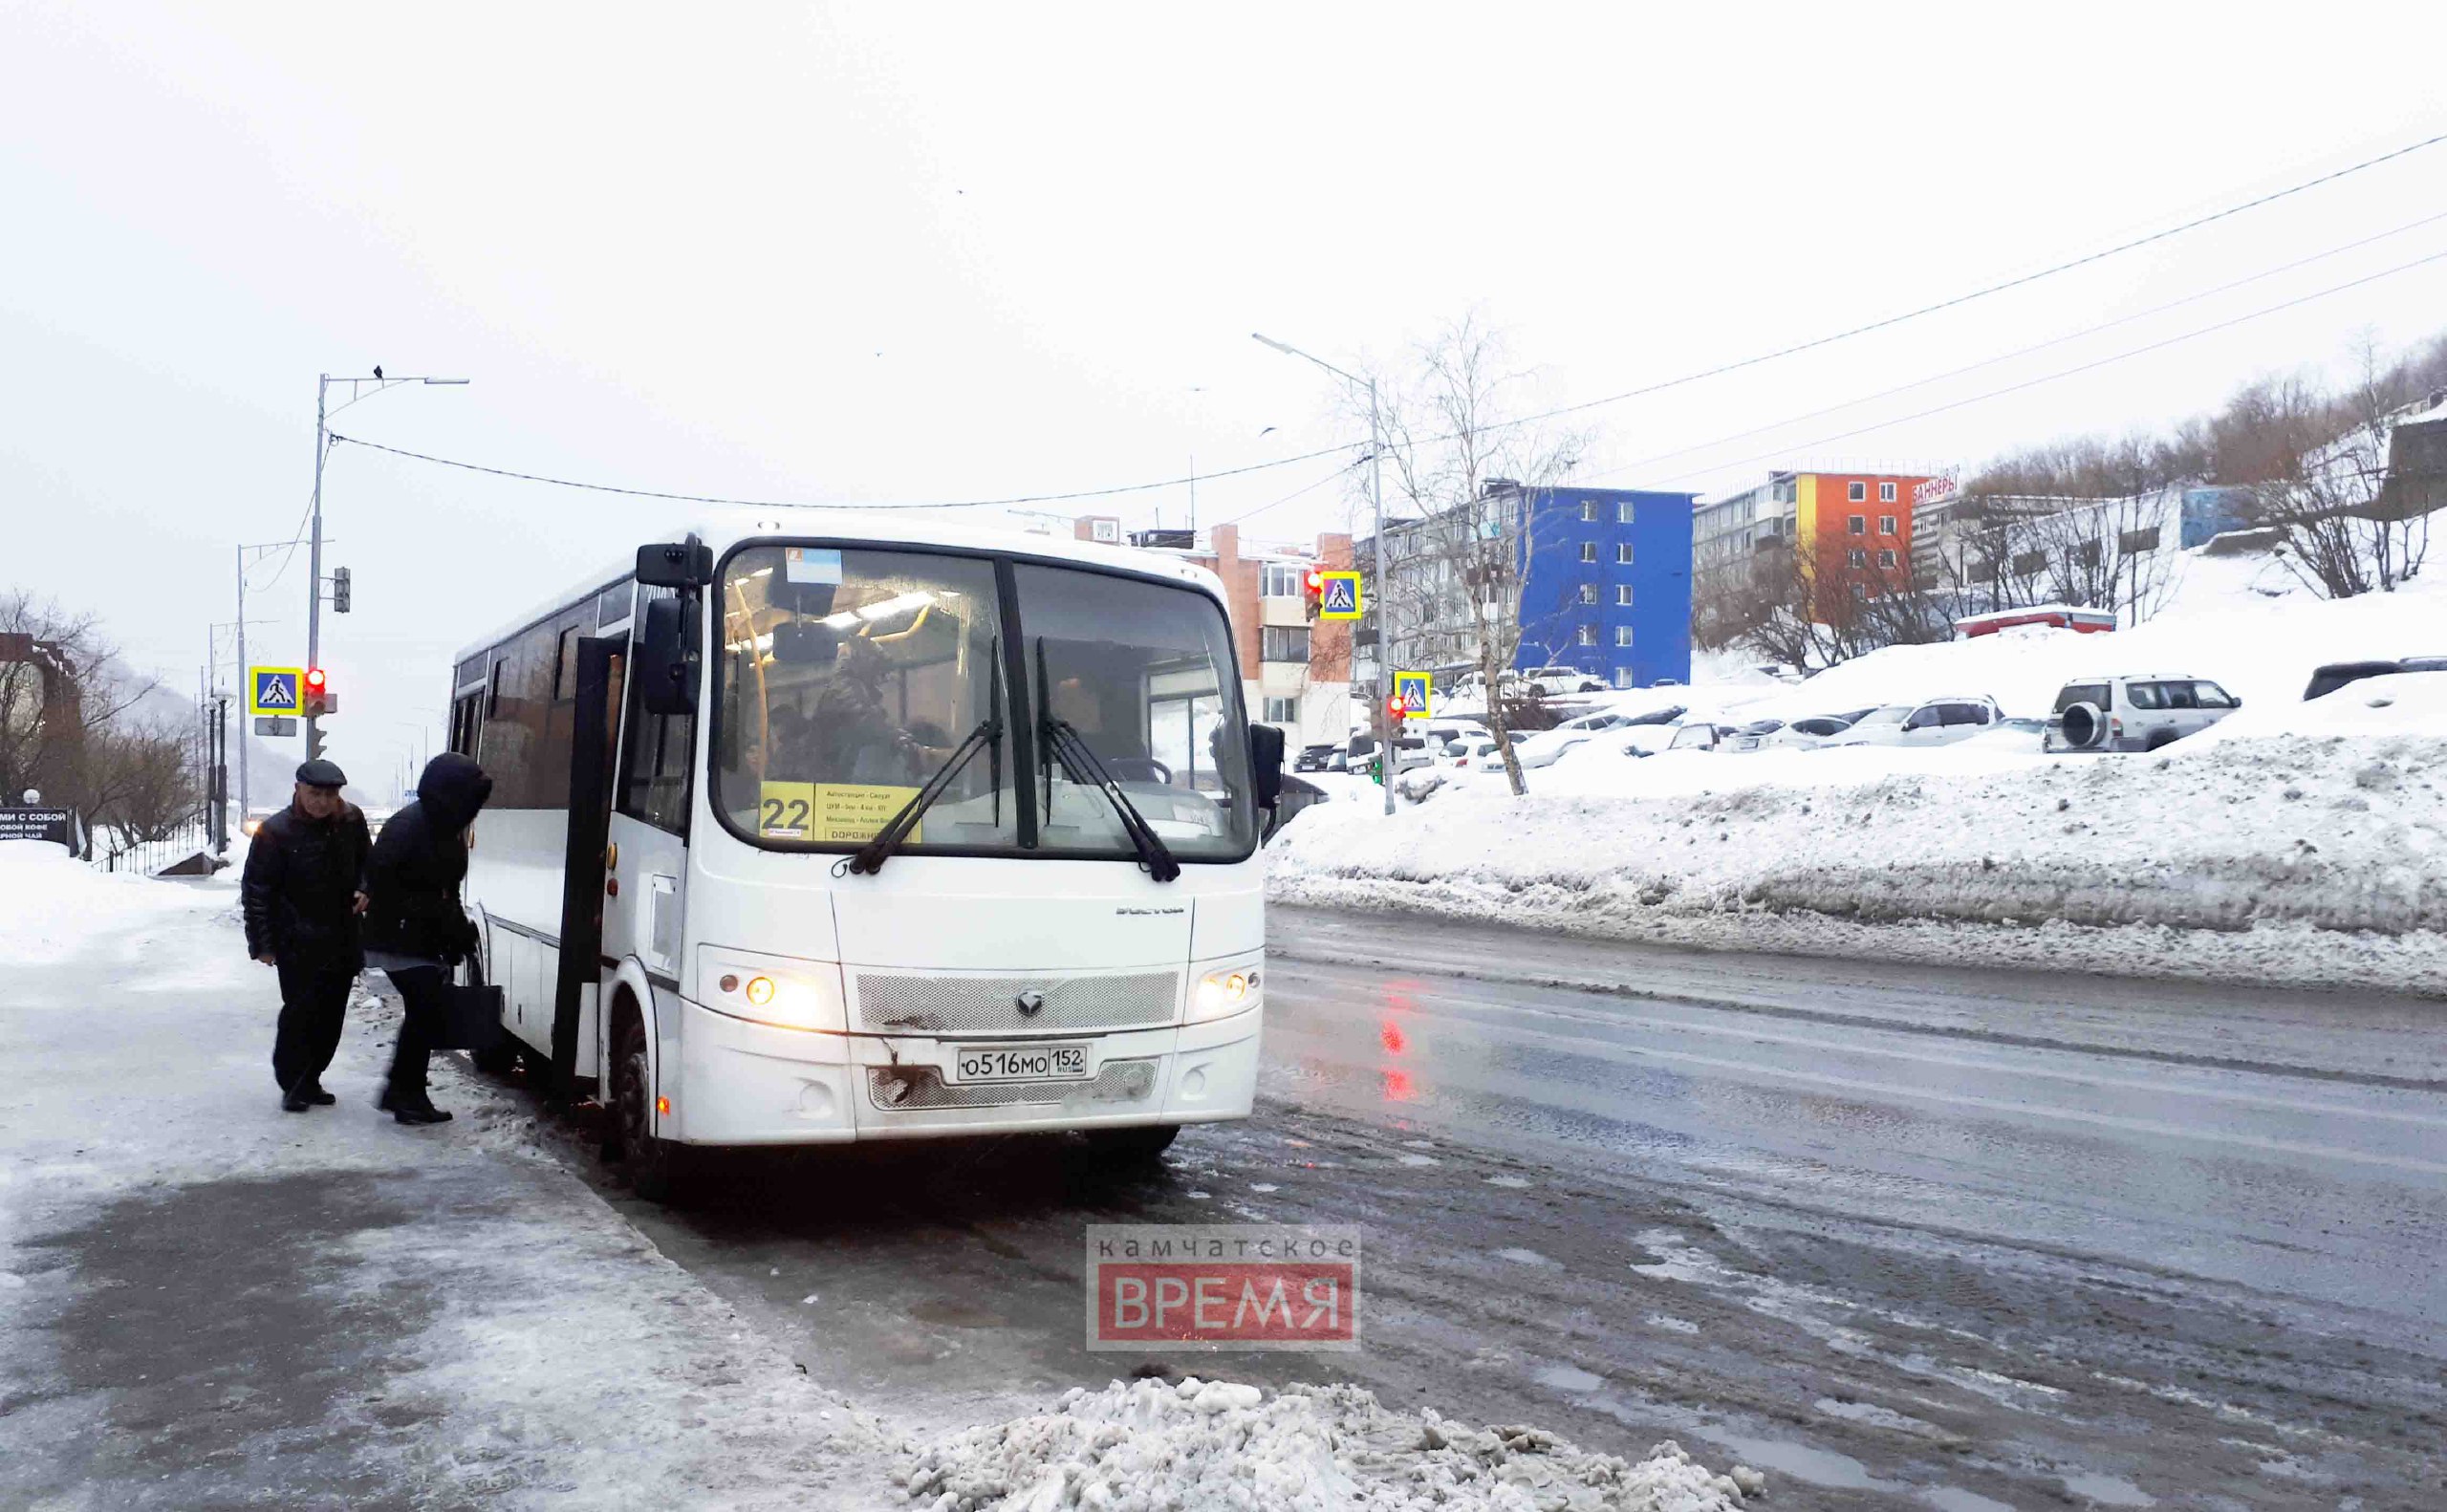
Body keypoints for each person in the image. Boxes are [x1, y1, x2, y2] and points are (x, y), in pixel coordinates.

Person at [361, 752, 493, 1126]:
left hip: (420, 936)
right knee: (425, 1013)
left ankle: (400, 1090)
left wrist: (458, 929)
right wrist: (435, 915)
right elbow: (383, 884)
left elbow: (446, 890)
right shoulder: (409, 826)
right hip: (398, 937)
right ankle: (407, 1095)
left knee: (424, 1014)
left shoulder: (445, 826)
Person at [240, 759, 372, 1112]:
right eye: (315, 793)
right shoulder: (275, 832)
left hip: (342, 936)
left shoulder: (351, 821)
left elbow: (369, 864)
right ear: (298, 789)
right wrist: (262, 944)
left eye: (330, 795)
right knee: (300, 1015)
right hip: (296, 940)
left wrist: (365, 888)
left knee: (331, 1017)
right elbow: (257, 891)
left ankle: (312, 1078)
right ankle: (293, 1083)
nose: (322, 802)